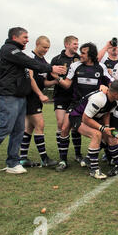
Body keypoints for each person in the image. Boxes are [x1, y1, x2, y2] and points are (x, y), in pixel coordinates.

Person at [0, 27, 66, 178]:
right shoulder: (9, 49)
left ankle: (13, 163)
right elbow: (29, 62)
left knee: (18, 131)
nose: (27, 40)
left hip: (20, 97)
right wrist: (51, 68)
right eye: (25, 37)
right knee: (5, 127)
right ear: (15, 37)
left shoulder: (17, 51)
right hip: (8, 96)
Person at [54, 42, 113, 171]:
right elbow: (67, 84)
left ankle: (109, 157)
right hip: (76, 104)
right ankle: (63, 160)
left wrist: (105, 86)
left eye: (83, 53)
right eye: (80, 52)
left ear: (91, 55)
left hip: (94, 106)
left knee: (105, 132)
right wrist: (57, 78)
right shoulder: (75, 66)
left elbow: (111, 84)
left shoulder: (101, 67)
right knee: (64, 128)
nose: (80, 55)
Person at [68, 80, 118, 179]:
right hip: (78, 116)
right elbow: (86, 119)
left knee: (114, 134)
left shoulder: (115, 100)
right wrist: (103, 128)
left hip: (94, 117)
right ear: (116, 94)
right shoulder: (99, 99)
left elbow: (106, 112)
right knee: (96, 134)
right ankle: (94, 169)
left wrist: (107, 127)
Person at [19, 36, 59, 168]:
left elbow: (43, 82)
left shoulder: (43, 61)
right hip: (30, 96)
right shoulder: (30, 57)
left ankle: (22, 158)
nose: (46, 50)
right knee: (40, 125)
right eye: (44, 47)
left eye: (48, 48)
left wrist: (55, 81)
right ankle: (44, 159)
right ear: (37, 44)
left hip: (36, 97)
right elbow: (30, 79)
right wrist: (40, 94)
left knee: (29, 127)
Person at [50, 36, 84, 165]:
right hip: (61, 96)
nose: (76, 46)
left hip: (76, 97)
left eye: (77, 44)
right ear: (66, 44)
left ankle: (78, 154)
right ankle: (62, 157)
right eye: (74, 44)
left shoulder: (80, 58)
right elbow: (50, 75)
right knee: (61, 124)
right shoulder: (57, 59)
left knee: (75, 126)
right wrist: (57, 75)